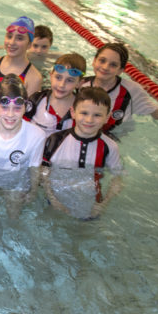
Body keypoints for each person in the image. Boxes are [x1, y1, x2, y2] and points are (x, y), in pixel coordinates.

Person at [42, 87, 123, 219]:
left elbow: (117, 179)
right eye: (84, 113)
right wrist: (53, 199)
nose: (89, 120)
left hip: (90, 205)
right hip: (55, 200)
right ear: (73, 112)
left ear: (107, 117)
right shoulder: (55, 140)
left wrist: (102, 205)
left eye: (97, 115)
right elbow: (43, 173)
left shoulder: (109, 147)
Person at [0, 74, 46, 214]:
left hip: (16, 184)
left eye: (17, 108)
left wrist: (33, 191)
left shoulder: (37, 135)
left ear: (26, 108)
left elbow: (35, 169)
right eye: (5, 107)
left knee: (13, 215)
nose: (10, 114)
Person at [81, 43, 158, 132]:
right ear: (94, 61)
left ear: (120, 70)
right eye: (102, 61)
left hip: (117, 137)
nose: (105, 67)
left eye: (113, 65)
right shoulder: (79, 85)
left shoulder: (132, 90)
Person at [0, 16, 42, 118]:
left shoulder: (33, 77)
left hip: (11, 128)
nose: (12, 43)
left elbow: (26, 115)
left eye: (19, 38)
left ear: (29, 44)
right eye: (9, 36)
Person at [25, 53, 85, 136]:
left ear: (79, 83)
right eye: (58, 77)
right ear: (51, 76)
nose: (62, 85)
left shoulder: (82, 109)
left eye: (70, 80)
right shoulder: (37, 100)